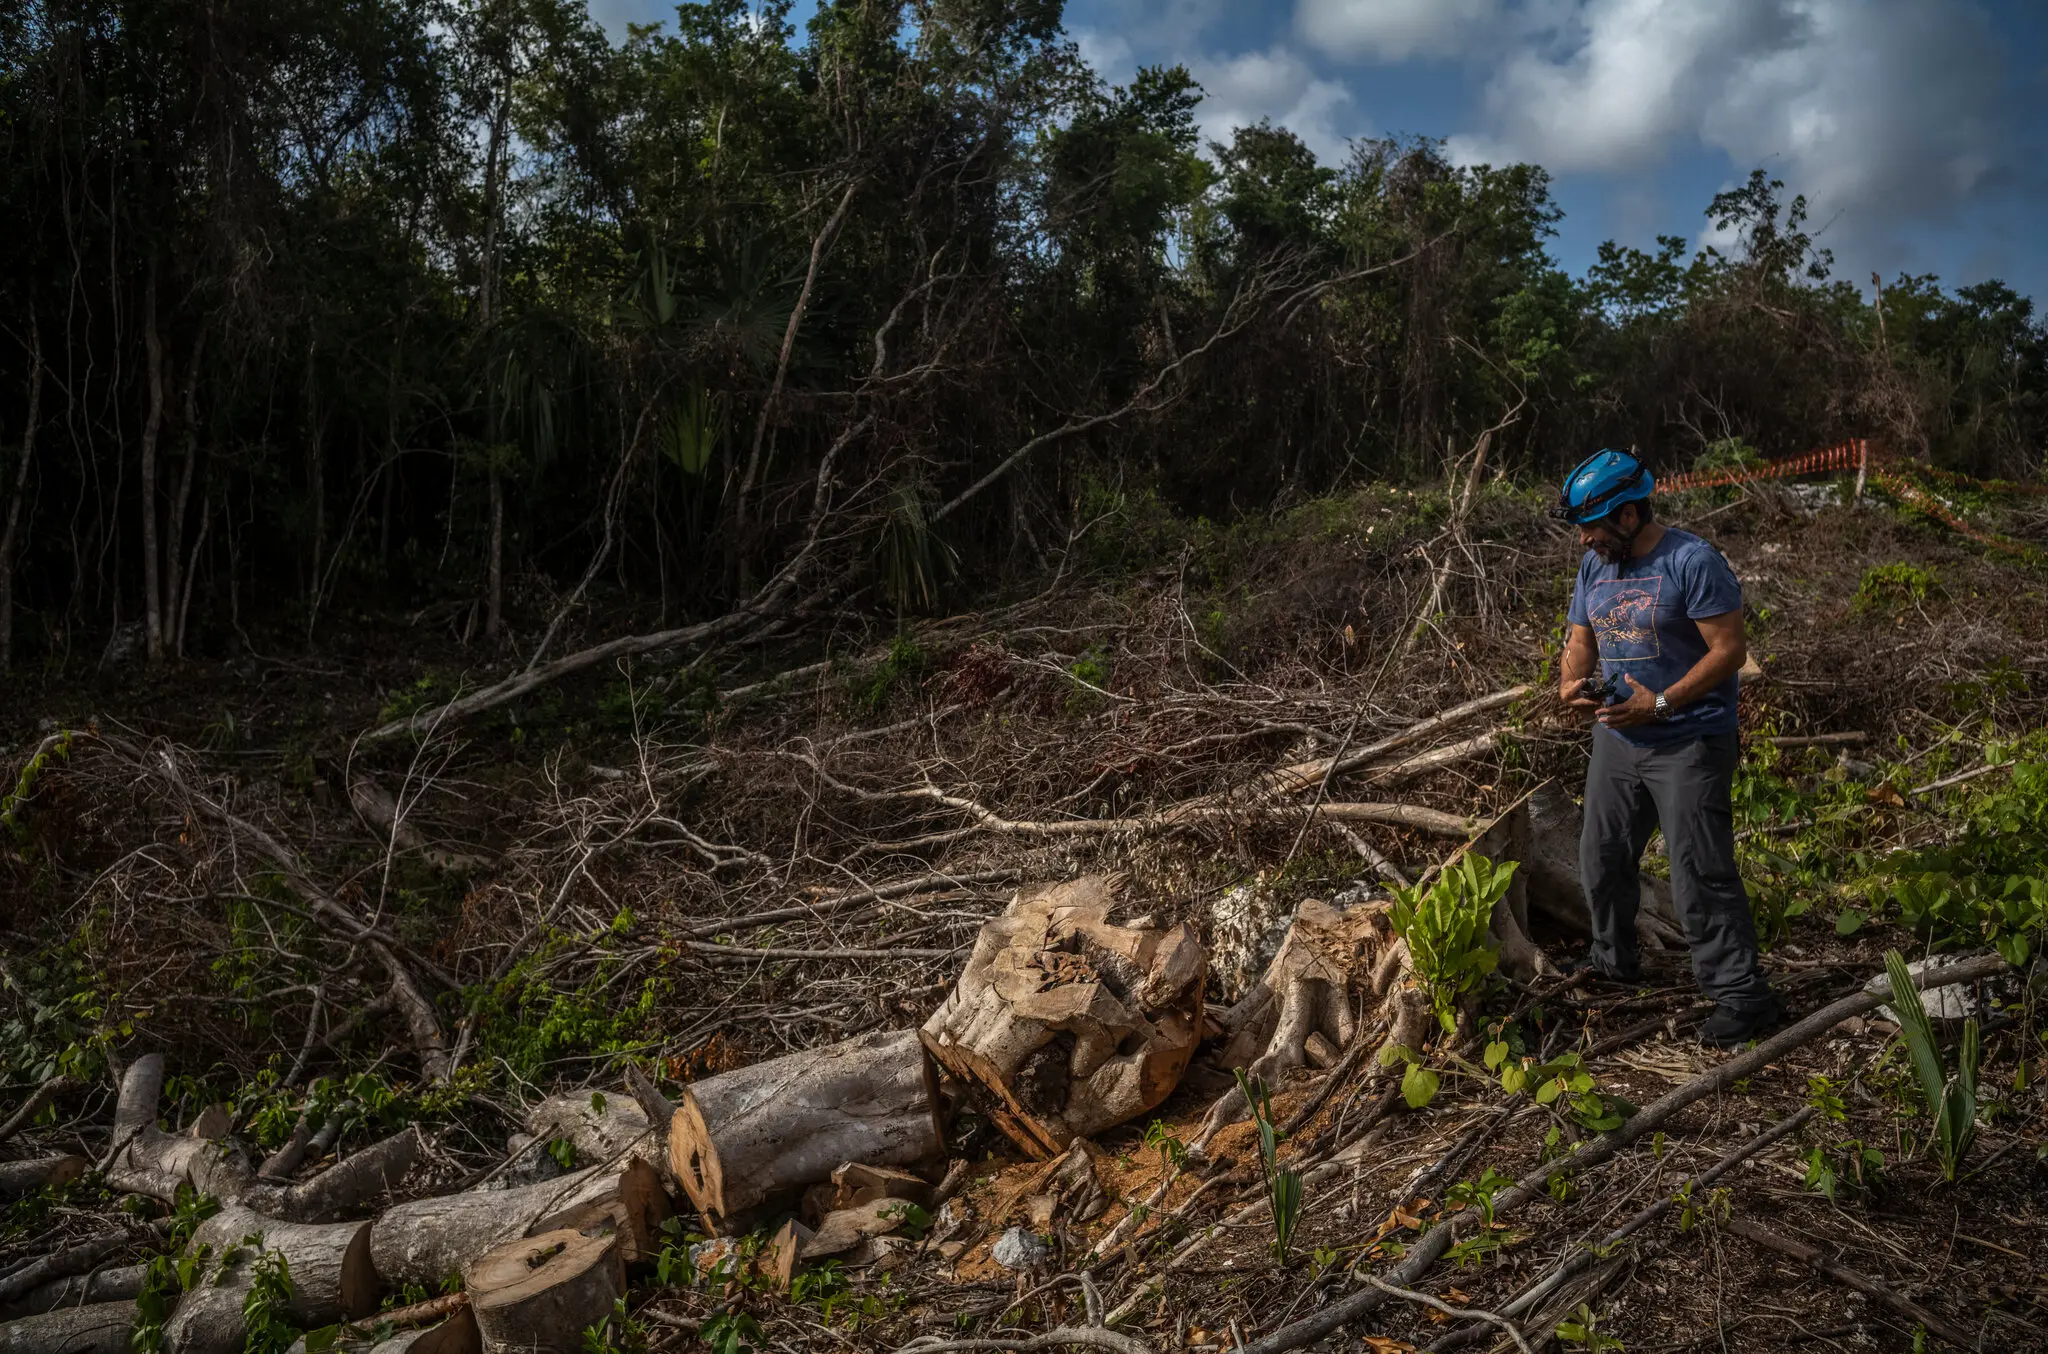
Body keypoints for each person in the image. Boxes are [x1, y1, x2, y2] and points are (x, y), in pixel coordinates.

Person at [1553, 448, 1782, 1048]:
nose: (1585, 543)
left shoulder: (1692, 561)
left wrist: (1661, 703)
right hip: (1617, 736)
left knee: (1698, 872)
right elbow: (1580, 637)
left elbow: (1729, 650)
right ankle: (1612, 963)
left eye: (1593, 529)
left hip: (1688, 738)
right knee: (1600, 858)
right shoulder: (1595, 567)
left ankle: (1741, 995)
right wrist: (1570, 682)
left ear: (1628, 516)